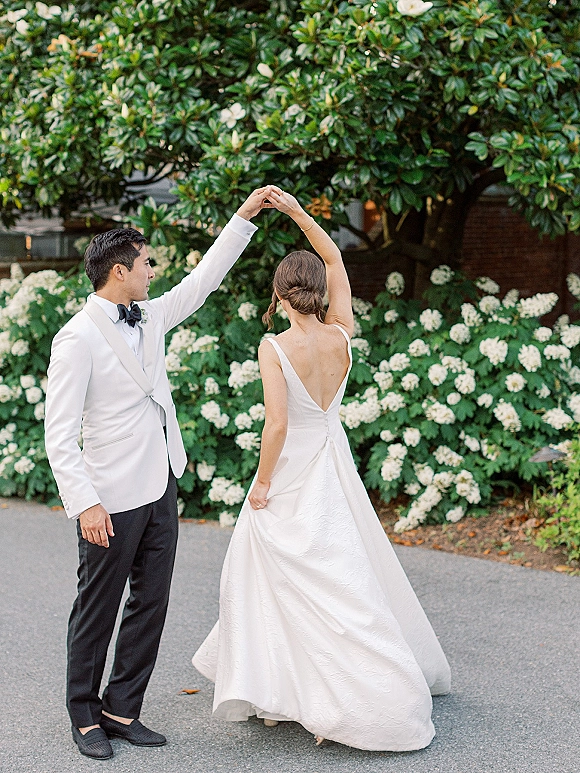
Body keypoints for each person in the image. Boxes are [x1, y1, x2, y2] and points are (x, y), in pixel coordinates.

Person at [192, 187, 451, 751]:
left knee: (267, 567)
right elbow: (333, 257)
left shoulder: (274, 345)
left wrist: (260, 485)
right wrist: (297, 213)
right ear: (318, 291)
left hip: (292, 470)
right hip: (332, 464)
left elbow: (277, 427)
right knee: (343, 570)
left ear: (281, 294)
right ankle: (312, 685)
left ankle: (281, 687)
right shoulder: (341, 334)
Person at [44, 187, 274, 760]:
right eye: (146, 263)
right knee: (96, 608)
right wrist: (85, 503)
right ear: (120, 271)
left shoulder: (149, 316)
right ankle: (84, 715)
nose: (154, 270)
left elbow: (203, 281)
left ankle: (122, 708)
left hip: (159, 485)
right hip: (109, 496)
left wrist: (243, 217)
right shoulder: (74, 339)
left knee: (151, 601)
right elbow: (58, 434)